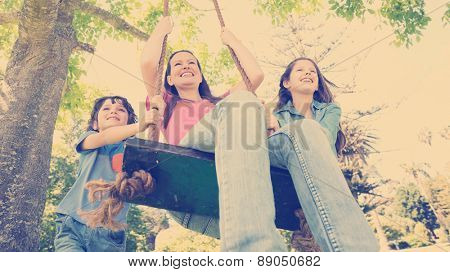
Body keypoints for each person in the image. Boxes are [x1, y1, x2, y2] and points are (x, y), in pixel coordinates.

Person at [141, 16, 286, 251]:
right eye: (177, 64)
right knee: (241, 102)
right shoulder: (166, 100)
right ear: (169, 78)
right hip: (187, 179)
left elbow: (255, 75)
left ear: (199, 75)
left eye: (192, 63)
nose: (186, 66)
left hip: (225, 193)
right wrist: (161, 30)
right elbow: (148, 64)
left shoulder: (219, 103)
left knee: (258, 114)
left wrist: (232, 40)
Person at [264, 57, 380, 251]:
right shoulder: (277, 116)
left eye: (313, 71)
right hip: (288, 180)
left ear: (318, 84)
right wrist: (269, 130)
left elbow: (323, 141)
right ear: (287, 83)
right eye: (300, 70)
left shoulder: (330, 110)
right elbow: (277, 148)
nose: (308, 73)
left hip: (324, 181)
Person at [54, 96, 155, 251]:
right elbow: (106, 137)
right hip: (73, 225)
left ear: (127, 123)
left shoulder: (133, 153)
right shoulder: (89, 140)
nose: (113, 110)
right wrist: (140, 125)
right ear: (95, 124)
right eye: (106, 109)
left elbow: (156, 154)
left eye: (121, 110)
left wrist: (157, 114)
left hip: (110, 233)